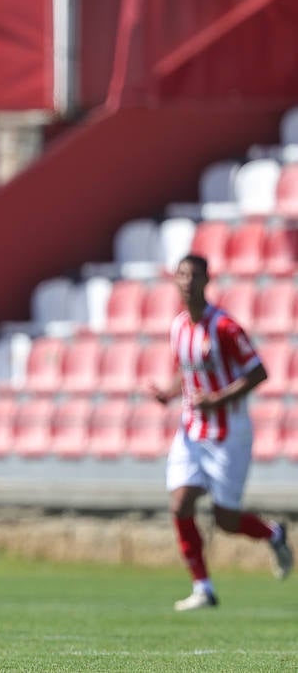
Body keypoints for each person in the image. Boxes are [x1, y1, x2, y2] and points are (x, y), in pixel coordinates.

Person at [146, 254, 291, 611]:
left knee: (226, 520)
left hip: (229, 433)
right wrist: (169, 392)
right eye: (181, 275)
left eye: (194, 275)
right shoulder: (178, 326)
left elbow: (258, 371)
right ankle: (203, 587)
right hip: (192, 430)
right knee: (180, 503)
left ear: (207, 280)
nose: (187, 281)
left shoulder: (225, 327)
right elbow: (187, 369)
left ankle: (274, 533)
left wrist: (218, 399)